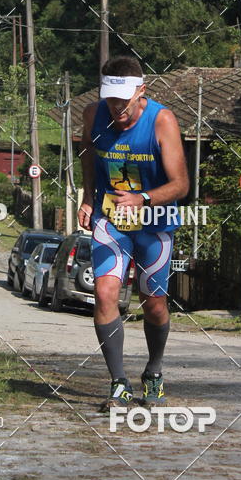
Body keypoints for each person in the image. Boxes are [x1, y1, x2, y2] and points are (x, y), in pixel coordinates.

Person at [78, 55, 189, 411]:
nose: (116, 110)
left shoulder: (162, 121)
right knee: (105, 291)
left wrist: (143, 198)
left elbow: (182, 184)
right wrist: (88, 196)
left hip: (154, 220)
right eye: (111, 101)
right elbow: (87, 153)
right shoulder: (92, 115)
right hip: (111, 219)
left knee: (153, 303)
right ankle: (118, 383)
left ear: (142, 91)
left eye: (123, 103)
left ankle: (154, 371)